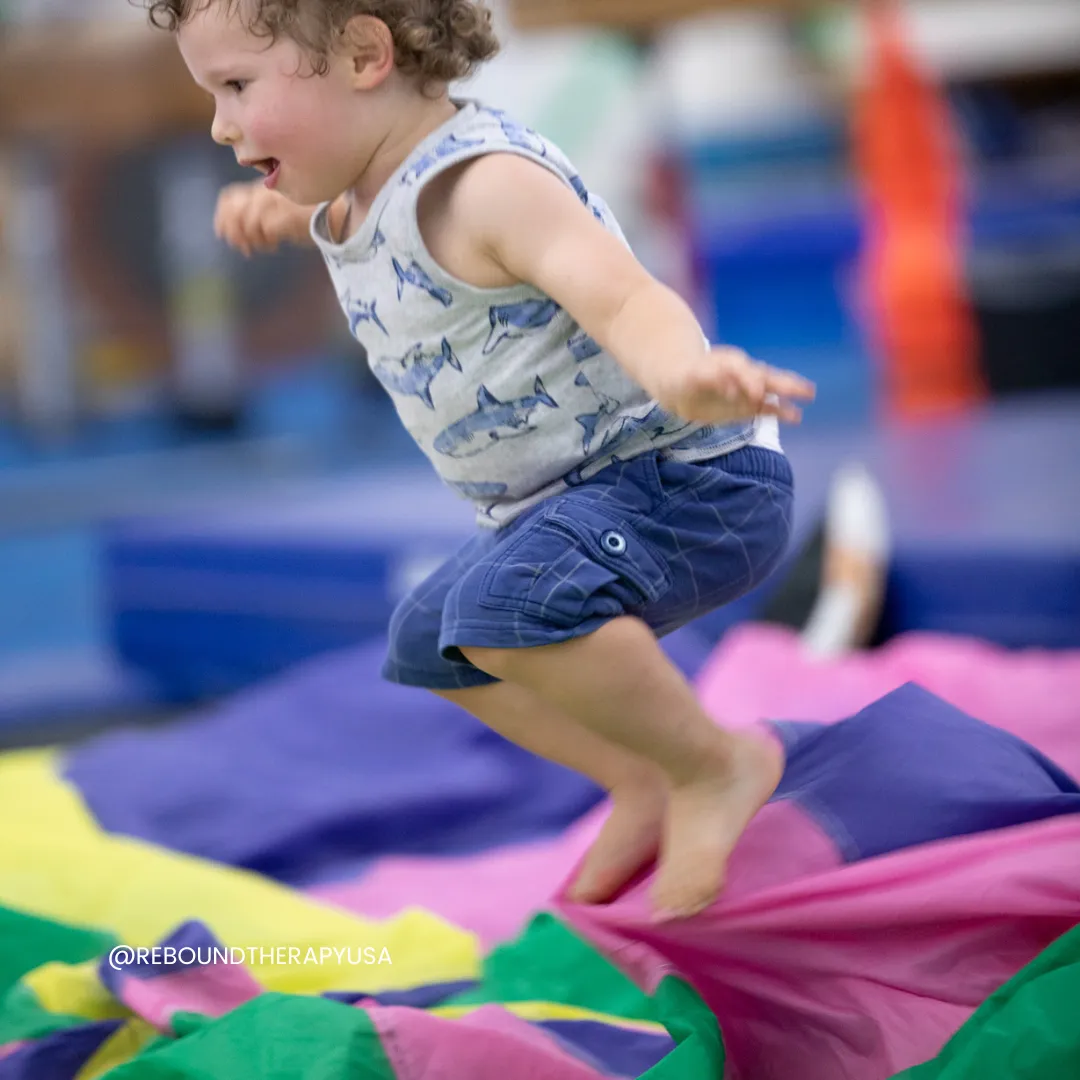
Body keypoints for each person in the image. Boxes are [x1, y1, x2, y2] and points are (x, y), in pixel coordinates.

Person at [146, 0, 816, 920]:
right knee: (429, 641)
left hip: (687, 482)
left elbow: (624, 300)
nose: (220, 125)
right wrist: (279, 200)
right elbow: (356, 211)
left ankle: (716, 762)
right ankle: (643, 776)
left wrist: (688, 376)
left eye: (235, 87)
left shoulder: (483, 185)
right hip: (575, 507)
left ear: (364, 54)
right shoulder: (353, 188)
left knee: (508, 612)